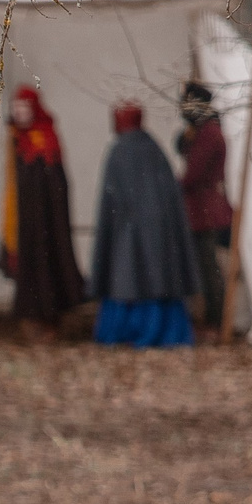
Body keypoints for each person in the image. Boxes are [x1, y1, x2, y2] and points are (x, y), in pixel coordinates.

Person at [89, 102, 204, 348]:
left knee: (129, 282)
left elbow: (111, 202)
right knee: (156, 281)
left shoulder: (119, 152)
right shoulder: (155, 151)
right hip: (158, 239)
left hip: (126, 237)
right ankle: (161, 331)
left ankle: (127, 330)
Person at [0, 87, 83, 337]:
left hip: (47, 221)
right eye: (16, 108)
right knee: (29, 269)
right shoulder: (16, 138)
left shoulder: (45, 136)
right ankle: (33, 317)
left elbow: (55, 181)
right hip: (27, 221)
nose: (19, 113)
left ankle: (50, 318)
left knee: (48, 266)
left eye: (24, 107)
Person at [177, 82, 235, 331]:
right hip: (202, 210)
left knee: (208, 266)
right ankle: (212, 315)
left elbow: (194, 174)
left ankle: (217, 317)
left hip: (206, 211)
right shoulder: (204, 132)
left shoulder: (209, 134)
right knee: (206, 265)